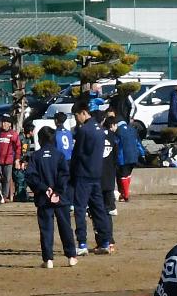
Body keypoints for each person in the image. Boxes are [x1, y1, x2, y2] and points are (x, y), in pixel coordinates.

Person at [24, 126, 77, 268]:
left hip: (43, 198)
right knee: (65, 226)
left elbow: (30, 176)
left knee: (46, 229)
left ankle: (48, 259)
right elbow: (64, 175)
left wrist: (44, 189)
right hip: (60, 198)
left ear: (40, 140)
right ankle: (71, 256)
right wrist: (57, 192)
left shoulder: (35, 156)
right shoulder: (59, 155)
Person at [70, 101, 114, 256]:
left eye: (76, 116)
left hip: (83, 175)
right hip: (97, 174)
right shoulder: (100, 130)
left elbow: (77, 154)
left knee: (80, 209)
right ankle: (105, 242)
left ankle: (82, 243)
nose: (77, 119)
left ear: (83, 113)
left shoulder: (84, 130)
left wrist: (71, 173)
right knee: (99, 209)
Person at [114, 113, 143, 203]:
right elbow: (138, 142)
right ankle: (124, 194)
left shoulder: (118, 131)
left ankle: (125, 195)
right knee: (128, 175)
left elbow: (116, 144)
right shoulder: (132, 129)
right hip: (134, 156)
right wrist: (142, 154)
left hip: (123, 157)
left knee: (122, 176)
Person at [0, 116, 21, 205]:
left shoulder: (13, 134)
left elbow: (18, 148)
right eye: (3, 122)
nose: (4, 124)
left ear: (10, 124)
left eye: (6, 122)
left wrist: (17, 159)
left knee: (7, 179)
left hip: (8, 161)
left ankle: (5, 196)